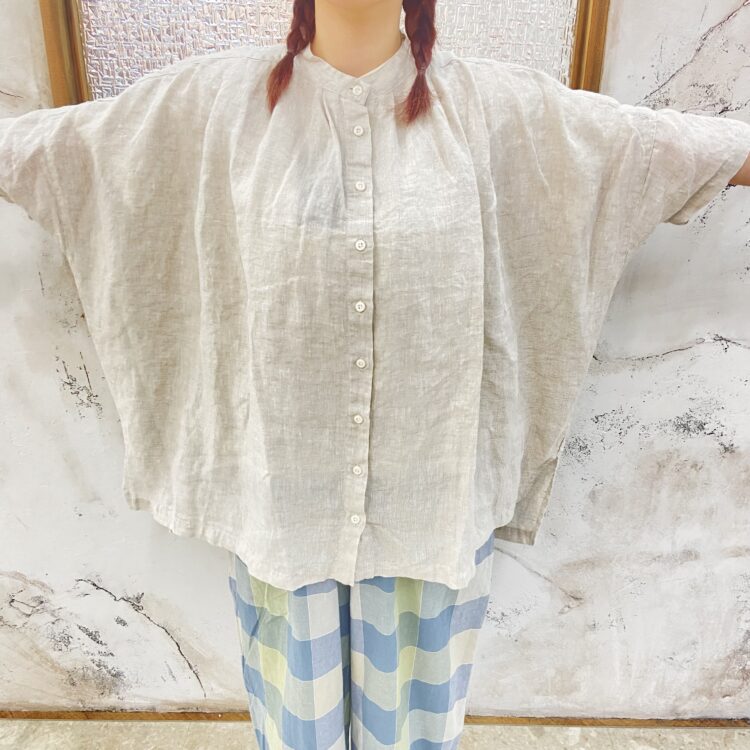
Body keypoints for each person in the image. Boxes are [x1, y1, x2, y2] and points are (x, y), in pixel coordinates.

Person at [2, 0, 749, 746]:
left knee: (415, 726)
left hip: (430, 499)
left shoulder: (498, 109)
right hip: (285, 507)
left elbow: (648, 150)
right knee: (297, 725)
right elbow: (63, 154)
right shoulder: (214, 105)